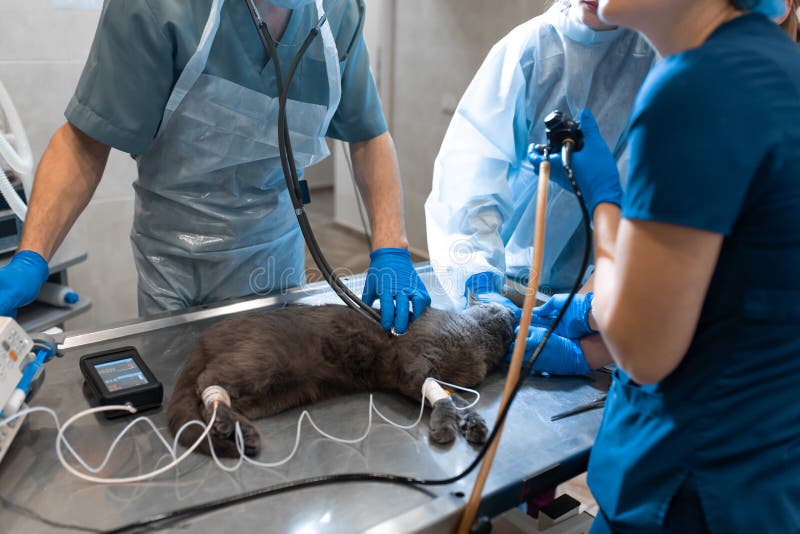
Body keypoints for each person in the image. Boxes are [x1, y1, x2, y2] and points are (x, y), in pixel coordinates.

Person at [0, 0, 430, 335]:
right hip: (177, 271)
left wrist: (391, 248)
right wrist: (32, 257)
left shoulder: (336, 12)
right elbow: (84, 142)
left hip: (277, 259)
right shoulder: (159, 8)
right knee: (186, 410)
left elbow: (368, 134)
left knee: (278, 400)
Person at [535, 0, 800, 530]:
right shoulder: (776, 65)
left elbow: (642, 350)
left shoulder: (698, 86)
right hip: (760, 483)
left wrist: (605, 202)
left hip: (687, 491)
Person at [424, 0, 655, 373]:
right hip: (516, 283)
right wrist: (478, 281)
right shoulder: (531, 51)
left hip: (623, 302)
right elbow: (468, 183)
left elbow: (658, 230)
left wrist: (595, 323)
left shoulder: (662, 62)